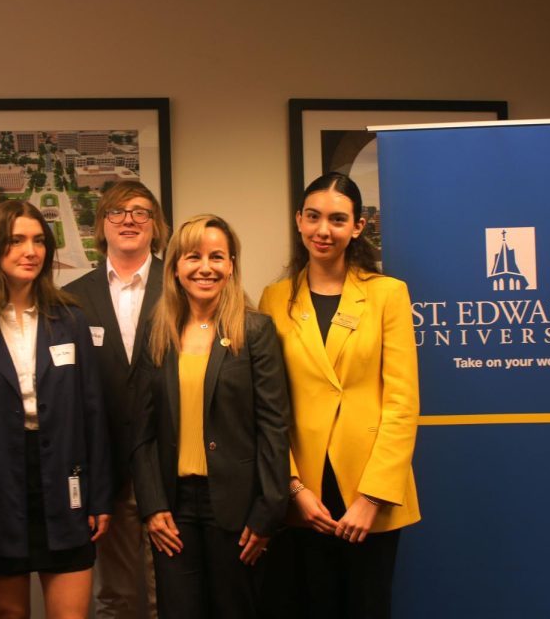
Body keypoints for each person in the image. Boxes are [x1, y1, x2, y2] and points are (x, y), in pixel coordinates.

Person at [0, 199, 113, 619]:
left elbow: (93, 413)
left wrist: (100, 497)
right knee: (8, 615)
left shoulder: (70, 319)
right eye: (16, 240)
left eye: (38, 241)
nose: (29, 251)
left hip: (64, 482)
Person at [258, 172, 421, 618]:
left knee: (367, 606)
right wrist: (293, 488)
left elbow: (403, 404)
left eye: (336, 219)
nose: (322, 230)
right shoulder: (274, 299)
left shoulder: (388, 294)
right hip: (303, 492)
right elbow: (267, 405)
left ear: (357, 227)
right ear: (298, 220)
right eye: (313, 216)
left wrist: (372, 498)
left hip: (369, 488)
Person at [131, 214, 290, 619]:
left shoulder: (255, 330)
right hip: (174, 507)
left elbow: (274, 425)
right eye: (192, 256)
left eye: (217, 256)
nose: (205, 267)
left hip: (239, 509)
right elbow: (142, 432)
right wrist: (151, 506)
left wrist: (268, 510)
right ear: (175, 268)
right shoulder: (157, 333)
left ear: (232, 264)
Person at [64, 181, 169, 619]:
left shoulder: (183, 282)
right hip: (105, 466)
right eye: (117, 212)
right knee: (116, 596)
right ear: (100, 226)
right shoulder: (71, 296)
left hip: (172, 461)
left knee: (173, 589)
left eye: (141, 212)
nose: (129, 220)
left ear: (156, 226)